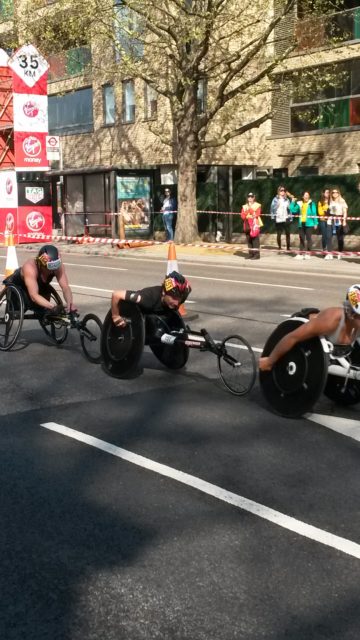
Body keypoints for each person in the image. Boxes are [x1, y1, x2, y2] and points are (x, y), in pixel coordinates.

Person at [259, 284, 360, 372]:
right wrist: (269, 361)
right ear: (352, 314)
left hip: (337, 353)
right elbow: (292, 337)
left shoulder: (355, 322)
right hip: (307, 348)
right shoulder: (331, 320)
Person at [3, 244, 75, 314]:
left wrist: (70, 303)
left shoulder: (58, 266)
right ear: (41, 263)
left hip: (39, 285)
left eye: (55, 266)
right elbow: (34, 295)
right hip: (19, 285)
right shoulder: (30, 268)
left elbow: (65, 287)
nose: (53, 270)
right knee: (16, 310)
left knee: (44, 307)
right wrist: (52, 306)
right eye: (49, 267)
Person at [111, 270, 191, 328]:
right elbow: (116, 294)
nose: (177, 303)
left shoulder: (175, 303)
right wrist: (116, 316)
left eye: (179, 299)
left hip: (154, 321)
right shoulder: (148, 298)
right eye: (173, 298)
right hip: (135, 320)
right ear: (164, 292)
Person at [290, 190, 318, 259]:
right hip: (301, 224)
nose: (306, 196)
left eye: (307, 195)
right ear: (302, 196)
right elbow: (293, 210)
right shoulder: (299, 203)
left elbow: (314, 214)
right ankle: (300, 253)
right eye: (305, 195)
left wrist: (315, 223)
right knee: (301, 238)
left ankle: (308, 254)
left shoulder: (312, 204)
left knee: (309, 238)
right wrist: (293, 202)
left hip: (310, 224)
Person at [270, 186, 292, 253]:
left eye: (284, 190)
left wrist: (290, 217)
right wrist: (273, 217)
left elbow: (290, 209)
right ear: (278, 191)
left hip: (286, 218)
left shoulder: (287, 199)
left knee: (287, 233)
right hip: (278, 218)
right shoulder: (275, 199)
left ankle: (288, 248)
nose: (283, 192)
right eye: (281, 190)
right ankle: (279, 247)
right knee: (279, 234)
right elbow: (272, 209)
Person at [240, 192, 262, 259]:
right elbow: (242, 216)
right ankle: (251, 254)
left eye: (251, 197)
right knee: (249, 240)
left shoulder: (257, 205)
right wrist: (247, 211)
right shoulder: (244, 206)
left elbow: (257, 214)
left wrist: (250, 210)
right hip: (247, 224)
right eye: (249, 197)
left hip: (254, 225)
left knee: (255, 240)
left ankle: (256, 255)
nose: (250, 198)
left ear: (254, 197)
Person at [329, 187, 348, 259]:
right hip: (332, 219)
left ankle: (340, 252)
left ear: (338, 193)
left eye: (336, 192)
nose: (334, 194)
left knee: (340, 237)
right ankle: (330, 253)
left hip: (339, 219)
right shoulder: (331, 201)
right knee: (329, 236)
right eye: (333, 192)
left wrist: (344, 220)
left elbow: (345, 211)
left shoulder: (342, 201)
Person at [317, 188, 333, 259]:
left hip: (329, 220)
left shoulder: (331, 201)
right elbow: (320, 212)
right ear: (323, 193)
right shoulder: (320, 202)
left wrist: (327, 210)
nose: (328, 194)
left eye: (328, 192)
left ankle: (329, 251)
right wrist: (326, 210)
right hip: (323, 220)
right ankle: (324, 250)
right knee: (324, 236)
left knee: (329, 236)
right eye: (326, 192)